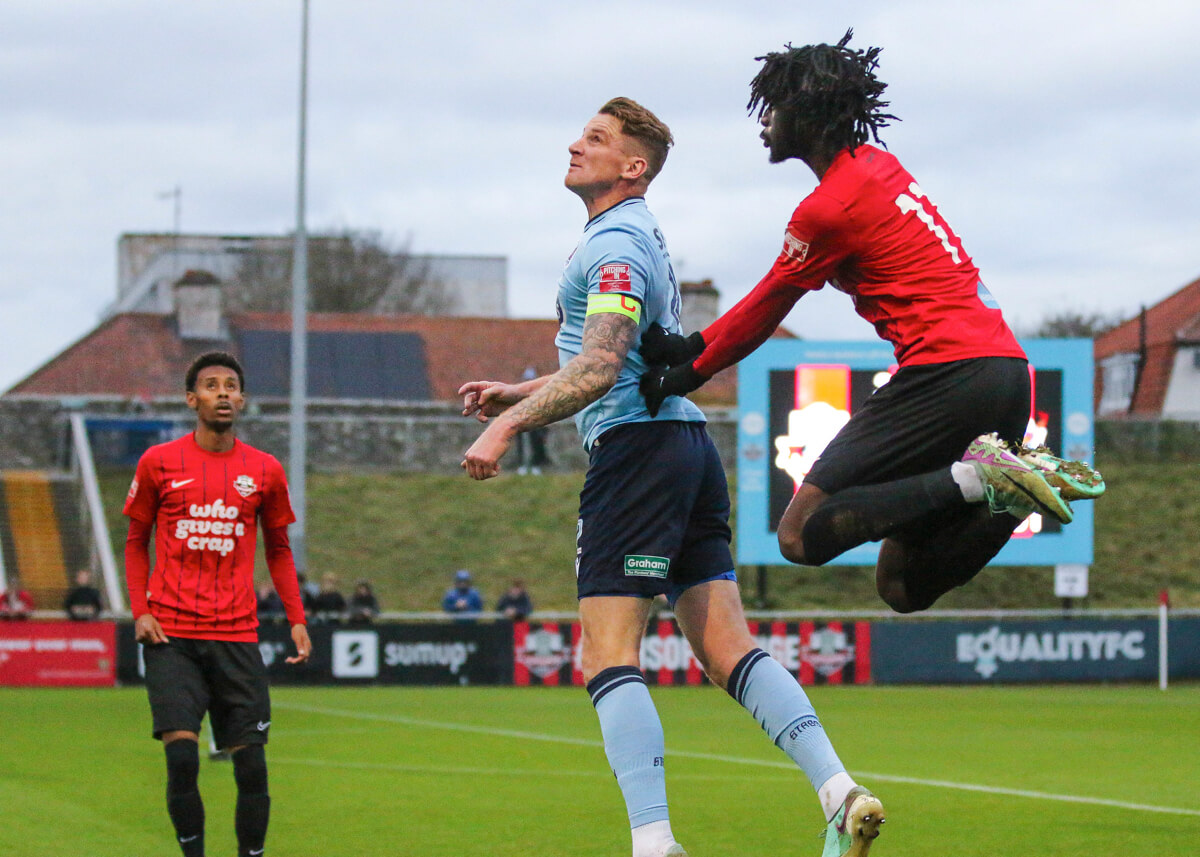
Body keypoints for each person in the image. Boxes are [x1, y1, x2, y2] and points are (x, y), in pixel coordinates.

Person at [460, 97, 882, 857]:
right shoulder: (623, 234)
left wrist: (506, 425)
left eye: (595, 138)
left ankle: (654, 842)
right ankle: (838, 788)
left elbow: (598, 367)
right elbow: (615, 360)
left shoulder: (615, 241)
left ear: (635, 166)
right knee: (726, 644)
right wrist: (519, 391)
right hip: (685, 449)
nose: (574, 145)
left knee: (608, 651)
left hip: (638, 456)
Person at [639, 33, 1105, 618]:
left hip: (947, 373)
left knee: (799, 536)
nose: (763, 122)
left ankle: (982, 480)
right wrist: (689, 347)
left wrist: (687, 371)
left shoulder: (829, 208)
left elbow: (769, 302)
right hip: (1007, 376)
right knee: (902, 588)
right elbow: (770, 294)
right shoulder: (879, 168)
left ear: (806, 113)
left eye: (773, 107)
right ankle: (1010, 493)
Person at [123, 351, 310, 857]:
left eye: (231, 385)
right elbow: (136, 540)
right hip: (171, 636)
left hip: (236, 635)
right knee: (182, 758)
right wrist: (140, 609)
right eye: (211, 385)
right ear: (192, 399)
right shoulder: (159, 462)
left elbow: (278, 549)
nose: (222, 392)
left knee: (252, 766)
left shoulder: (265, 470)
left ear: (242, 400)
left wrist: (297, 618)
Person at [515, 366, 552, 475]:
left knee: (538, 444)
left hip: (537, 424)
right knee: (521, 445)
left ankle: (537, 465)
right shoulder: (519, 393)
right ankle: (522, 465)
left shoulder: (541, 394)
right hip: (523, 424)